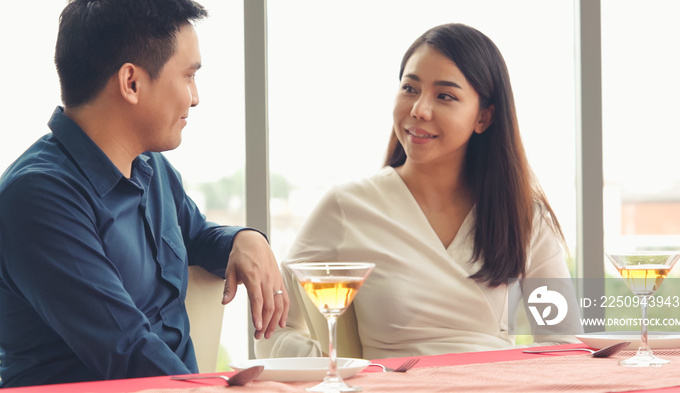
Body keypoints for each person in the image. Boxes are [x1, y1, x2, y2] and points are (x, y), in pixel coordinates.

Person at [0, 0, 288, 387]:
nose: (195, 97)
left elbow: (198, 235)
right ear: (131, 83)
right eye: (188, 76)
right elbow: (126, 350)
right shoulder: (38, 198)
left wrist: (243, 239)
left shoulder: (152, 169)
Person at [255, 23, 579, 360]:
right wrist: (339, 369)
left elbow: (564, 342)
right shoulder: (349, 208)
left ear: (484, 117)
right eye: (410, 88)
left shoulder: (525, 216)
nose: (419, 109)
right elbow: (272, 328)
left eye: (445, 96)